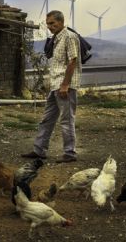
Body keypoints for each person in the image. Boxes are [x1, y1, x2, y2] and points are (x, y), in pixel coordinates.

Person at [20, 10, 81, 163]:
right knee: (47, 119)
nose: (49, 27)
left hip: (65, 86)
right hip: (55, 85)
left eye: (52, 23)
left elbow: (72, 61)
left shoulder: (69, 37)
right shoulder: (55, 38)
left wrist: (65, 85)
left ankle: (69, 154)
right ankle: (39, 150)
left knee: (66, 121)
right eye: (48, 24)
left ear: (61, 22)